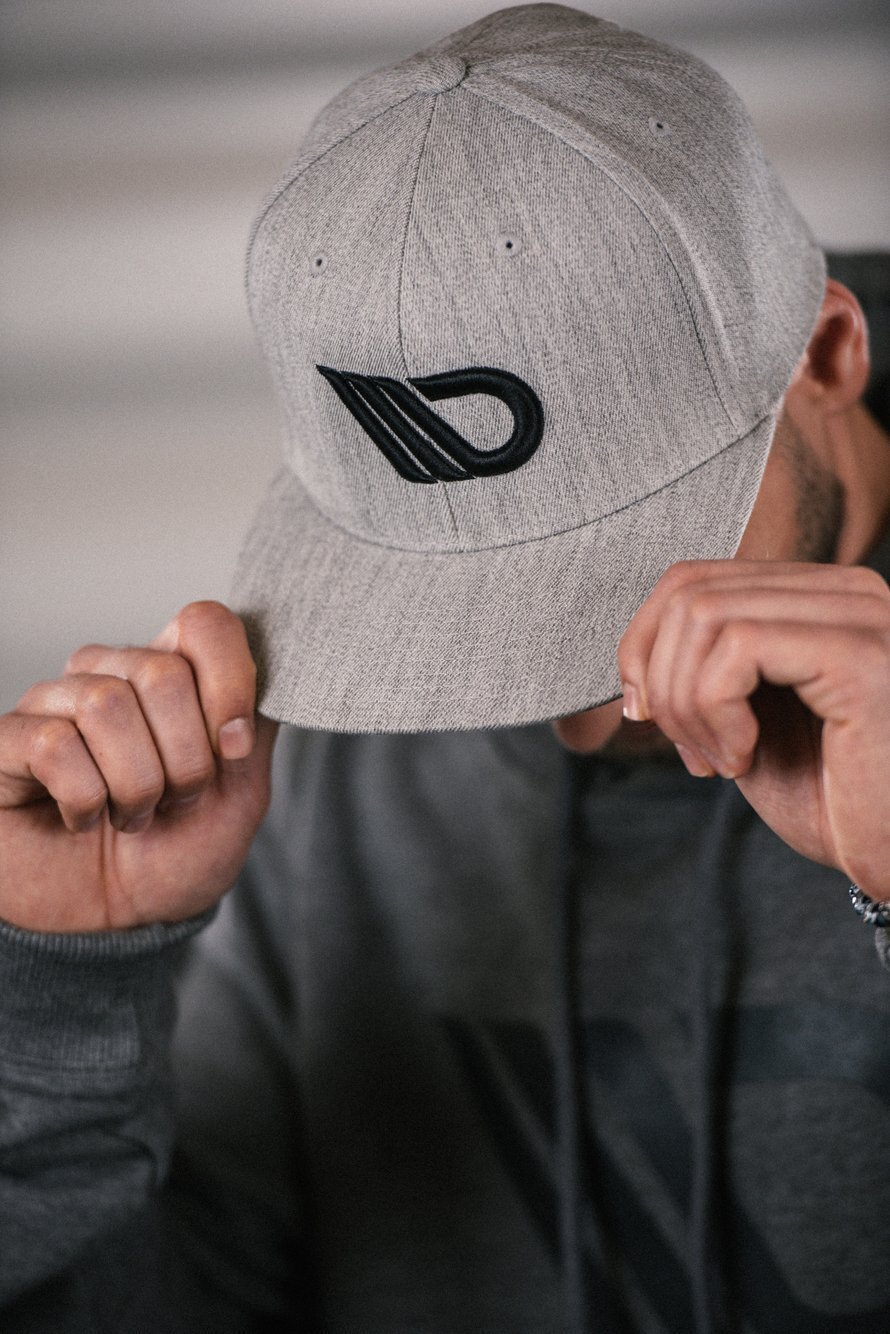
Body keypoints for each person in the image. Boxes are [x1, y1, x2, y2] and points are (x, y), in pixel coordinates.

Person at [1, 5, 888, 1331]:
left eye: (633, 556)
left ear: (826, 352)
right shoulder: (317, 766)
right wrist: (57, 1003)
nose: (565, 698)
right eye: (465, 598)